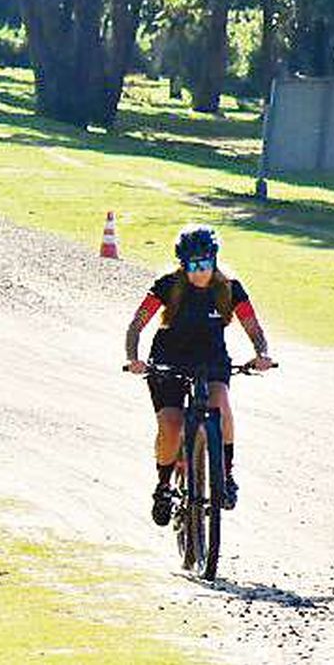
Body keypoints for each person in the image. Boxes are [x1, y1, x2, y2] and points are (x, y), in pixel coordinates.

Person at [124, 224, 274, 526]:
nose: (198, 272)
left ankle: (226, 475)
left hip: (211, 358)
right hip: (168, 360)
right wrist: (134, 358)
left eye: (204, 264)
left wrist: (262, 354)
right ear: (183, 264)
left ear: (214, 260)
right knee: (171, 424)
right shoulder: (167, 285)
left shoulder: (230, 288)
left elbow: (254, 328)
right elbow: (136, 325)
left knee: (222, 405)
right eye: (192, 265)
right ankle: (164, 487)